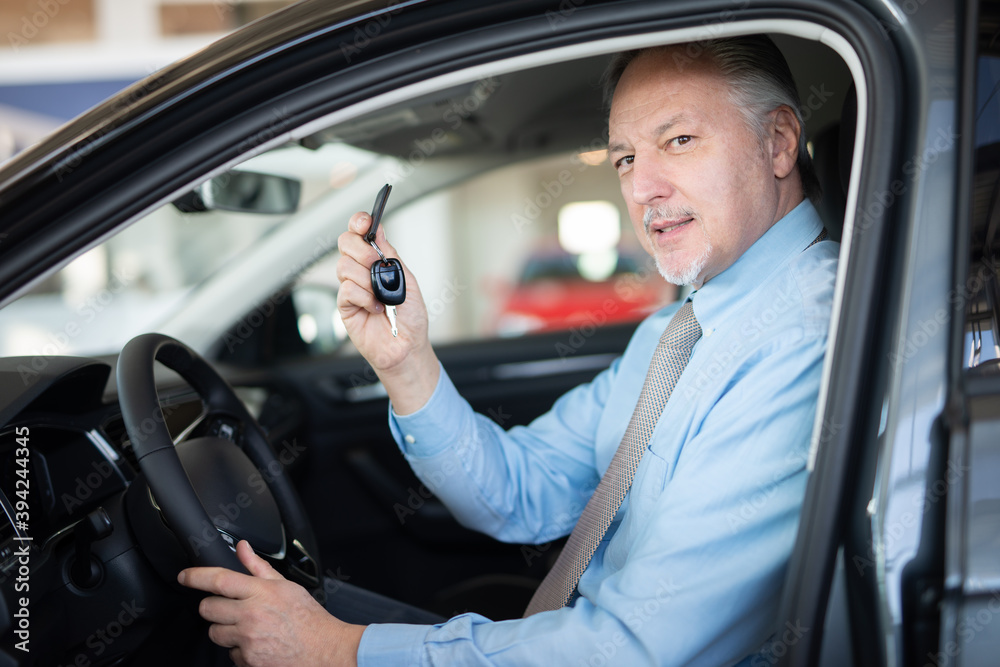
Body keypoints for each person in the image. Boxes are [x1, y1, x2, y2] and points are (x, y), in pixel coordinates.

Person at [178, 35, 840, 667]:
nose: (642, 190)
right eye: (626, 158)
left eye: (680, 140)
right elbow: (523, 490)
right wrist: (406, 363)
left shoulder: (806, 338)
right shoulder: (677, 331)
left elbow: (637, 650)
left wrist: (335, 649)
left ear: (778, 142)